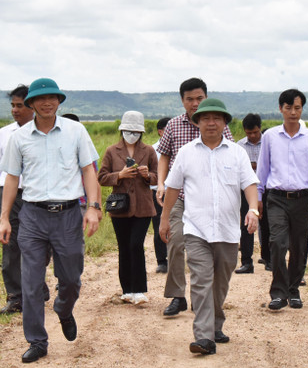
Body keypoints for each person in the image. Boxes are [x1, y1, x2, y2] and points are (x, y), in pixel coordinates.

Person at [0, 78, 103, 364]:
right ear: (31, 104)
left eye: (53, 98)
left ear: (59, 101)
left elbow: (89, 171)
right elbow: (11, 179)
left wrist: (93, 207)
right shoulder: (19, 138)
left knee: (71, 279)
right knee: (31, 282)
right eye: (41, 99)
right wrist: (5, 218)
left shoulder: (75, 131)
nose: (47, 103)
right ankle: (37, 341)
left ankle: (64, 309)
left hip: (68, 215)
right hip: (32, 215)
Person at [159, 98, 259, 355]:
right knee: (201, 280)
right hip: (196, 230)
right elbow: (172, 188)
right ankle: (204, 337)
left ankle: (215, 324)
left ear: (224, 122)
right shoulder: (186, 153)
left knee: (220, 283)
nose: (211, 122)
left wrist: (253, 209)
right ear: (198, 123)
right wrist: (165, 218)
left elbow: (249, 184)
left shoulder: (237, 153)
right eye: (205, 118)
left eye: (216, 118)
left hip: (227, 231)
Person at [156, 78, 234, 317]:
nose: (195, 103)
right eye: (189, 99)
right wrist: (161, 183)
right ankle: (177, 296)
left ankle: (204, 297)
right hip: (179, 196)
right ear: (182, 101)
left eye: (199, 98)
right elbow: (164, 155)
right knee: (175, 241)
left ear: (206, 98)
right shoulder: (173, 125)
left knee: (210, 248)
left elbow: (230, 156)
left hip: (208, 199)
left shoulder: (219, 125)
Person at [257, 89, 308, 311]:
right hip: (276, 198)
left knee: (299, 245)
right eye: (288, 108)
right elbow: (262, 169)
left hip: (303, 198)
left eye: (297, 108)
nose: (293, 112)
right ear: (280, 109)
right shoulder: (270, 136)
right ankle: (278, 293)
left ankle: (293, 289)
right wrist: (258, 197)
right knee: (277, 243)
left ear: (302, 109)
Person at [0, 84, 40, 314]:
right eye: (13, 105)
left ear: (32, 107)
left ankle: (37, 287)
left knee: (37, 245)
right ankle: (15, 297)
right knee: (10, 245)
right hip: (9, 194)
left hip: (34, 195)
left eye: (19, 106)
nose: (14, 110)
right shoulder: (4, 134)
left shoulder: (41, 132)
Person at [97, 111, 158, 305]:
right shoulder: (111, 151)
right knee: (124, 247)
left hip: (143, 206)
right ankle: (127, 290)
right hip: (120, 207)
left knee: (136, 245)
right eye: (128, 131)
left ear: (141, 132)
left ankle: (139, 290)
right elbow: (101, 177)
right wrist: (120, 175)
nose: (132, 135)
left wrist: (147, 175)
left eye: (136, 132)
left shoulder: (149, 151)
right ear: (122, 130)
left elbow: (157, 177)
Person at [234, 113, 262, 274]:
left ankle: (269, 259)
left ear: (260, 128)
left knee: (269, 226)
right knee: (246, 225)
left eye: (255, 132)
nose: (252, 136)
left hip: (267, 190)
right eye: (249, 133)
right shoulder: (239, 146)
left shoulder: (269, 143)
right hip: (246, 191)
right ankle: (246, 262)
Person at [150, 117, 171, 274]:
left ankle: (177, 257)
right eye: (167, 130)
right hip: (158, 192)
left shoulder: (180, 147)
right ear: (160, 132)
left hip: (178, 192)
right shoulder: (152, 150)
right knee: (159, 225)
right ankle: (162, 261)